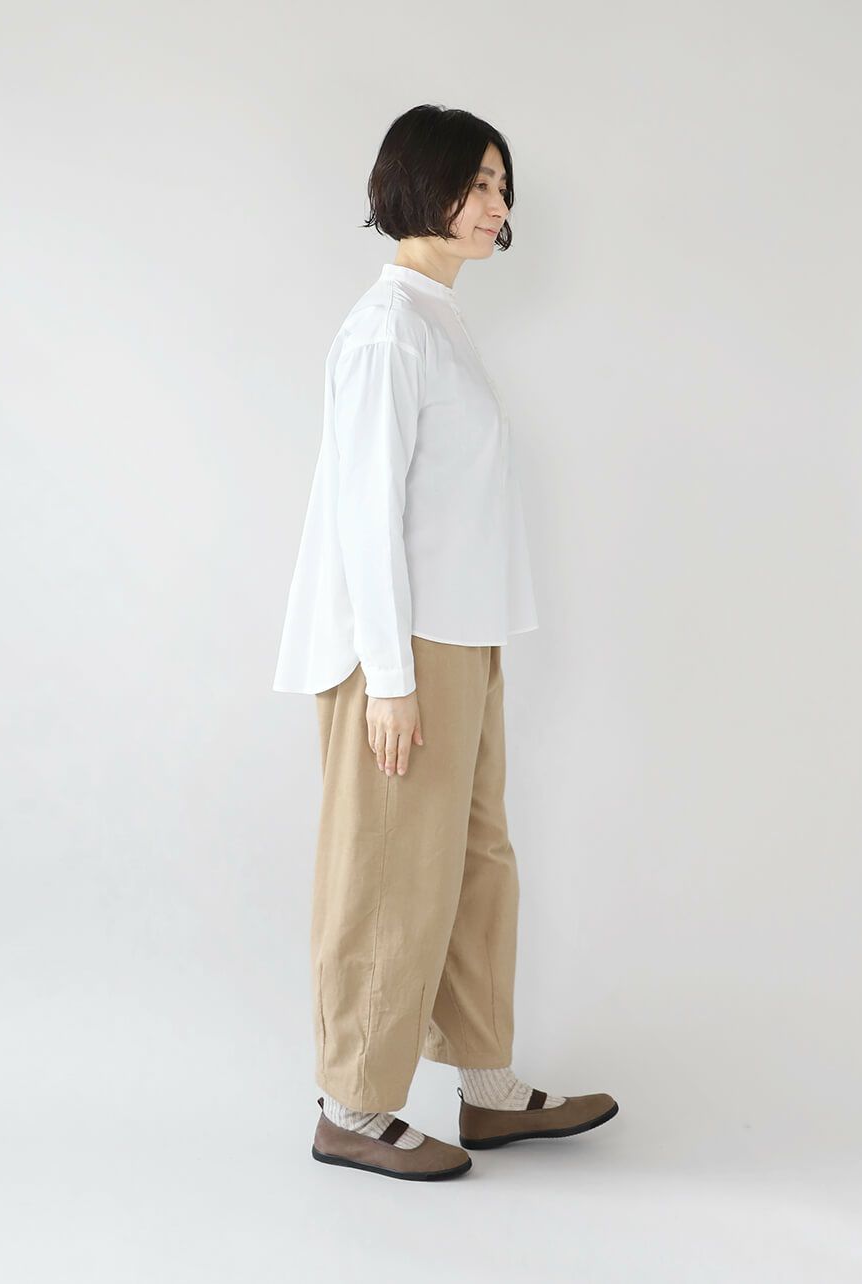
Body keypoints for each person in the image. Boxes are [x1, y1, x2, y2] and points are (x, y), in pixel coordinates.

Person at [272, 104, 618, 1181]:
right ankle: (352, 1107)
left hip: (460, 638)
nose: (494, 206)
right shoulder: (387, 331)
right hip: (404, 649)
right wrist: (389, 677)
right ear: (416, 186)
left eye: (501, 187)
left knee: (475, 861)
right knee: (389, 871)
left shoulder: (437, 321)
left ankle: (486, 1086)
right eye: (475, 184)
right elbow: (363, 515)